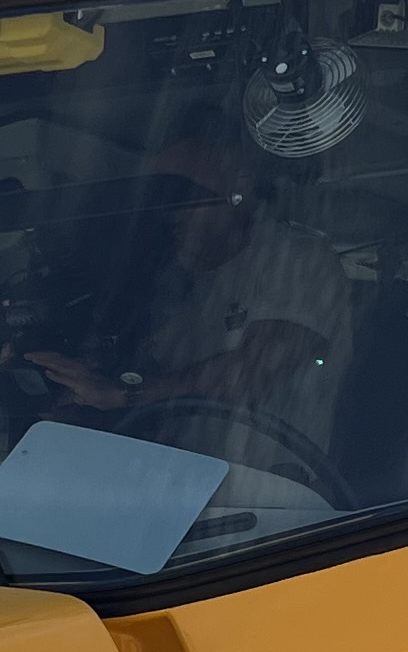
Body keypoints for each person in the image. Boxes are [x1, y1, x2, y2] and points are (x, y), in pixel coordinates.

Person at [18, 134, 354, 482]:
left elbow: (255, 373)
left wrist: (123, 393)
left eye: (181, 191)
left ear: (237, 185)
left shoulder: (294, 258)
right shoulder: (171, 284)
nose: (169, 209)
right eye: (160, 195)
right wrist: (86, 406)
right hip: (182, 494)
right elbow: (161, 396)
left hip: (281, 498)